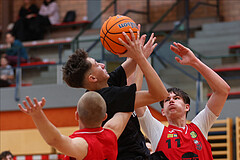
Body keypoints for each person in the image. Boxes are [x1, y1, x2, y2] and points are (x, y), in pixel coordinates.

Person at [62, 27, 169, 159]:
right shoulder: (108, 96)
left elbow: (131, 63)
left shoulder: (101, 86)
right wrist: (140, 57)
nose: (102, 65)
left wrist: (134, 47)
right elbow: (161, 94)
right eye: (97, 65)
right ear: (93, 78)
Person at [136, 42, 230, 159]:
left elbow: (222, 91)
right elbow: (133, 98)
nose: (171, 101)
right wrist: (140, 60)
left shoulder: (199, 126)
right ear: (163, 111)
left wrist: (195, 62)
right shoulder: (157, 131)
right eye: (167, 100)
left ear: (187, 107)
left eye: (176, 98)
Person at [18, 91, 132, 160]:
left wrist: (37, 115)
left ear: (76, 115)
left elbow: (54, 140)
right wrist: (138, 60)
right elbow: (128, 104)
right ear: (105, 117)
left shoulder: (83, 145)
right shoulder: (112, 133)